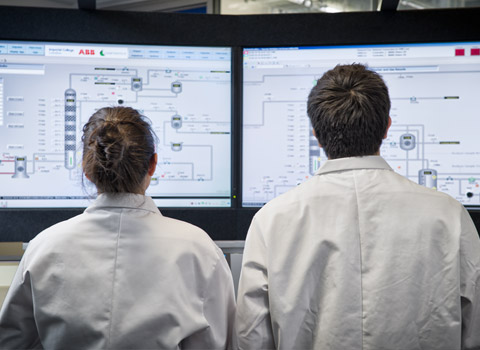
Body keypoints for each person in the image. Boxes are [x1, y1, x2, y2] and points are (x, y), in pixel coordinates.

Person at [234, 64, 480, 350]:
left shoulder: (271, 220)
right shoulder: (448, 214)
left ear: (316, 133)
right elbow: (475, 330)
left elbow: (251, 338)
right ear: (387, 126)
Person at [0, 106, 235, 349]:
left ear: (87, 170)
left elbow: (13, 342)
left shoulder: (43, 247)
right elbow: (216, 343)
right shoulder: (199, 250)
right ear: (153, 165)